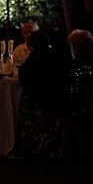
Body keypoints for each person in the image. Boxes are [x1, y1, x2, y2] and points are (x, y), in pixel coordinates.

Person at [17, 30, 69, 159]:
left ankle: (36, 146)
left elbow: (24, 77)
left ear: (32, 45)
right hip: (58, 99)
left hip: (39, 101)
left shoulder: (34, 57)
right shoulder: (58, 56)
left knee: (24, 99)